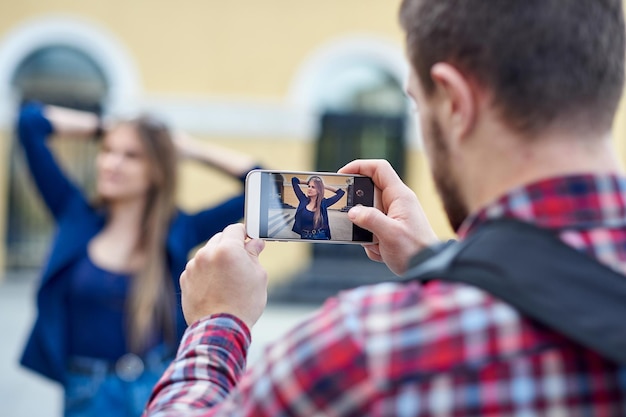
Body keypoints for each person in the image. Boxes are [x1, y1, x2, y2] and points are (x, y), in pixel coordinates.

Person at [145, 0, 626, 415]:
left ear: (456, 104)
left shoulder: (367, 348)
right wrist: (437, 261)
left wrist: (217, 320)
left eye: (418, 104)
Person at [16, 102, 261, 417]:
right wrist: (110, 127)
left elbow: (257, 183)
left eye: (131, 155)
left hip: (156, 383)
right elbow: (29, 123)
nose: (111, 163)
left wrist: (187, 149)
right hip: (86, 391)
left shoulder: (179, 230)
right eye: (107, 151)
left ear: (156, 170)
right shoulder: (74, 215)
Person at [290, 175, 345, 240]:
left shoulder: (324, 203)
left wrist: (323, 186)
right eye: (309, 186)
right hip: (304, 236)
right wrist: (309, 182)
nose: (309, 189)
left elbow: (341, 193)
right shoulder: (303, 200)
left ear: (319, 190)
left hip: (320, 236)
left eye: (313, 187)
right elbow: (294, 180)